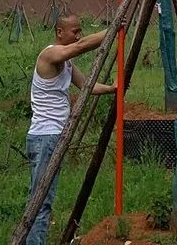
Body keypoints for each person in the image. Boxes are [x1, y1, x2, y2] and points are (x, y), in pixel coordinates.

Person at [25, 15, 117, 245]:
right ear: (59, 32)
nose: (78, 35)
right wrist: (114, 29)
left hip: (53, 137)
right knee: (41, 200)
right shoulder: (50, 55)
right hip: (45, 137)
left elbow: (88, 86)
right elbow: (82, 46)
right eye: (74, 31)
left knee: (42, 198)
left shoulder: (66, 64)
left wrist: (112, 88)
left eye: (80, 31)